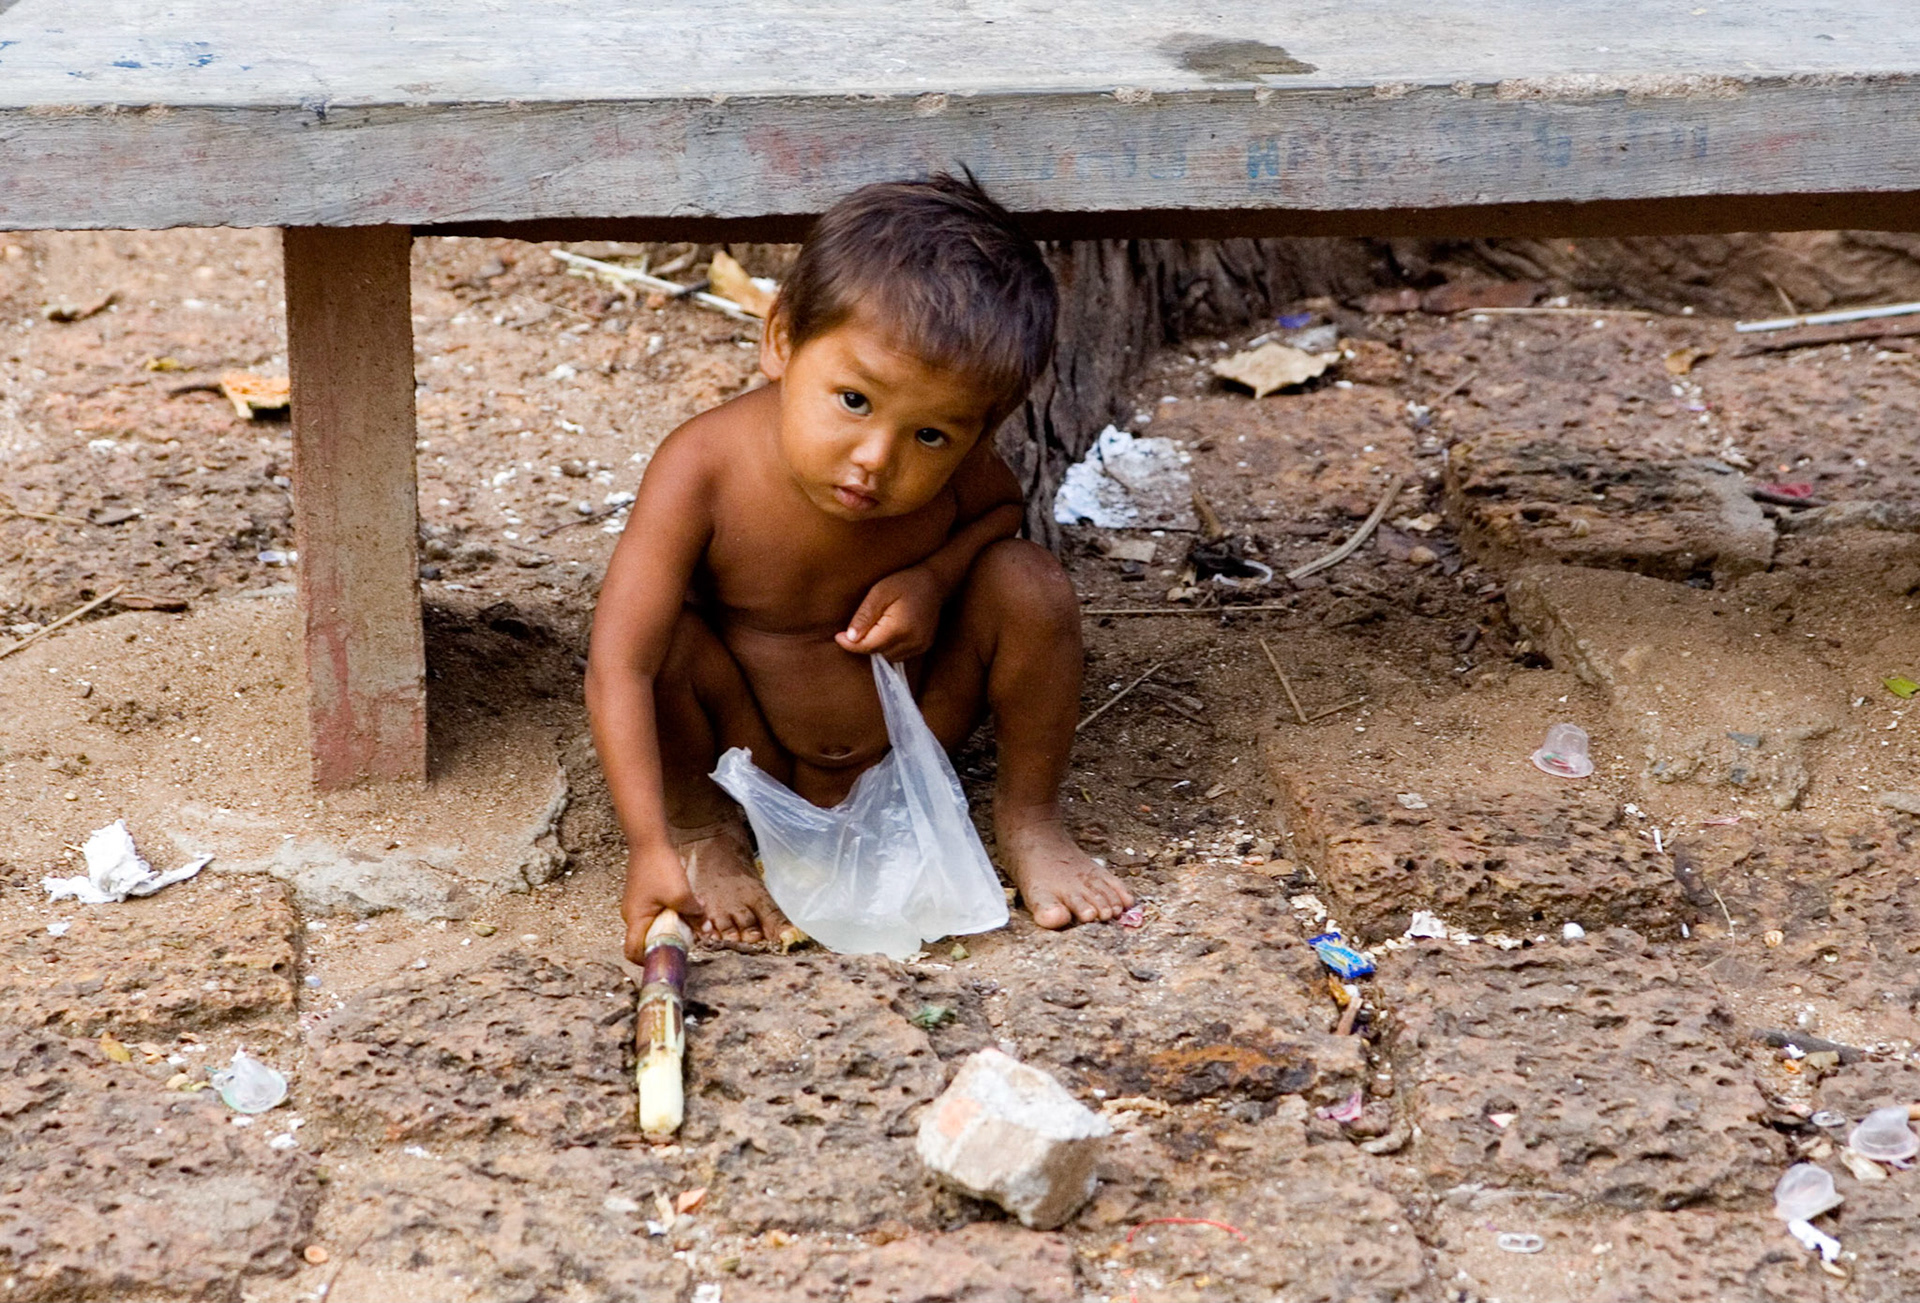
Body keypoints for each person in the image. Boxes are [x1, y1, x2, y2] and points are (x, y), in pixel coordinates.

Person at [587, 175, 1134, 963]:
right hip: (752, 752)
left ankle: (1029, 819)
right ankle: (702, 832)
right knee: (659, 633)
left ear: (982, 435)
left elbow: (1000, 513)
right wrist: (647, 844)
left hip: (910, 736)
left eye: (933, 437)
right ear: (780, 340)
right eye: (853, 399)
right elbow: (620, 662)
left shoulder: (965, 470)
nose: (877, 459)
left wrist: (937, 579)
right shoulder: (702, 468)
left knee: (1029, 583)